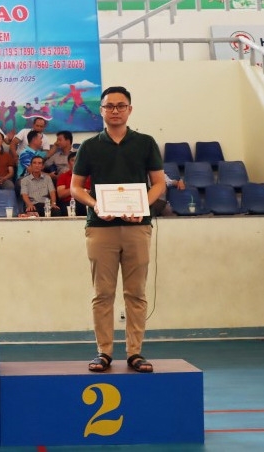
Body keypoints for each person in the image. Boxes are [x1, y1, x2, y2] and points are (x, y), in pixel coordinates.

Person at [70, 86, 165, 374]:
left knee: (136, 293)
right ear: (101, 111)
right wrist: (95, 204)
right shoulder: (89, 146)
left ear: (129, 110)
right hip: (101, 228)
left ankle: (135, 352)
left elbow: (159, 183)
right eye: (109, 106)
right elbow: (76, 188)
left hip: (137, 227)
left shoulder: (145, 143)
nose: (115, 110)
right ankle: (104, 352)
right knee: (103, 293)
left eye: (120, 105)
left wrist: (142, 206)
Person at [56, 152, 90, 216]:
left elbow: (94, 192)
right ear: (69, 164)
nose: (76, 162)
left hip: (86, 201)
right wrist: (77, 188)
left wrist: (84, 191)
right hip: (69, 203)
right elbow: (61, 194)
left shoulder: (89, 176)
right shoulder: (63, 176)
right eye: (73, 160)